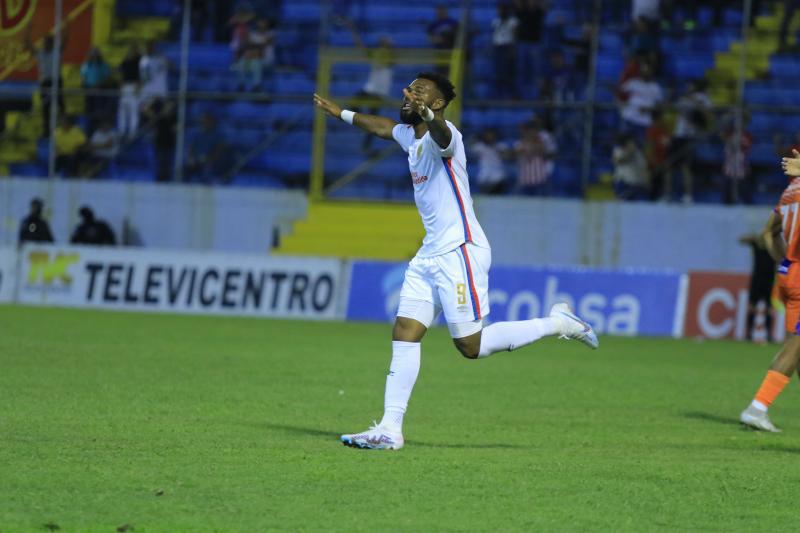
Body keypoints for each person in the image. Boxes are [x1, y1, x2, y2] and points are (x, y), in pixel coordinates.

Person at [314, 73, 598, 450]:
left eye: (419, 92)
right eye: (409, 88)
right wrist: (341, 113)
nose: (409, 94)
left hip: (460, 250)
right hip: (430, 252)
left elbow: (443, 136)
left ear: (436, 104)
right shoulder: (408, 135)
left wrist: (431, 120)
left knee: (471, 346)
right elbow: (382, 127)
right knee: (405, 331)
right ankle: (389, 429)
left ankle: (558, 322)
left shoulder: (447, 138)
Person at [739, 148, 800, 432]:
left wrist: (783, 262)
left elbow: (768, 232)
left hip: (790, 271)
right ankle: (758, 407)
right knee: (797, 345)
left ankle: (760, 407)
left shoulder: (789, 191)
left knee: (796, 347)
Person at [670, 79, 712, 203]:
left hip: (690, 136)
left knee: (686, 167)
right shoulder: (683, 99)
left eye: (691, 85)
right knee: (670, 166)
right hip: (678, 134)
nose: (689, 87)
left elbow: (708, 114)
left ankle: (688, 195)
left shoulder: (702, 98)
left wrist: (694, 103)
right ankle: (668, 194)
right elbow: (675, 107)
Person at [24, 30, 67, 138]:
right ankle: (46, 132)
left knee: (61, 106)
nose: (46, 44)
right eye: (45, 42)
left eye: (48, 42)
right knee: (45, 108)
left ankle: (66, 129)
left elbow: (65, 41)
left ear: (52, 43)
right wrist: (27, 31)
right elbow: (28, 44)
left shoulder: (56, 52)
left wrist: (66, 27)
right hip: (45, 82)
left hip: (56, 81)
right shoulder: (40, 53)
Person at [739, 233, 776, 343]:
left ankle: (769, 335)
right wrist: (754, 237)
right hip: (757, 280)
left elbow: (785, 253)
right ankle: (749, 334)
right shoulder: (757, 243)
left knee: (769, 308)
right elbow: (741, 240)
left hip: (770, 280)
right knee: (752, 307)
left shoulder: (775, 245)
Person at [617, 62, 663, 140]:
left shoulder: (655, 87)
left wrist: (649, 109)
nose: (645, 72)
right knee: (623, 142)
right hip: (629, 118)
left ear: (651, 72)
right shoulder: (633, 83)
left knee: (641, 146)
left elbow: (660, 105)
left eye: (647, 70)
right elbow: (620, 93)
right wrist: (621, 107)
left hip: (644, 122)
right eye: (643, 70)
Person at [514, 118, 557, 196]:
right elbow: (523, 154)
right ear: (527, 132)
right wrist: (533, 149)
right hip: (525, 179)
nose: (532, 133)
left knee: (541, 204)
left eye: (534, 131)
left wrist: (536, 147)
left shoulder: (542, 143)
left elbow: (547, 154)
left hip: (540, 179)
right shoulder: (520, 143)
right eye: (530, 131)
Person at [235, 18, 276, 92]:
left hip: (267, 60)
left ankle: (256, 85)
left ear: (267, 24)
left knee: (256, 61)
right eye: (260, 22)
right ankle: (241, 84)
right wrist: (254, 45)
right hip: (253, 56)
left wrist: (254, 44)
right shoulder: (252, 34)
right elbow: (247, 44)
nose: (261, 24)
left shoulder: (271, 33)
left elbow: (265, 43)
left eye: (263, 22)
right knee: (242, 61)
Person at [185, 113, 228, 182]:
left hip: (211, 161)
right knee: (188, 167)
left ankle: (209, 183)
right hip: (196, 160)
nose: (206, 123)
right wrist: (191, 159)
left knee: (207, 169)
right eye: (204, 121)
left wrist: (209, 159)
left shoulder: (218, 135)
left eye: (209, 121)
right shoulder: (195, 133)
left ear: (214, 123)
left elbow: (218, 150)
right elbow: (190, 148)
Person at [142, 97, 177, 182]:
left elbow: (175, 129)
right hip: (159, 144)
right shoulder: (159, 116)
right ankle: (158, 179)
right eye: (167, 106)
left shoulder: (174, 117)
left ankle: (166, 180)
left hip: (169, 144)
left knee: (167, 164)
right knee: (159, 163)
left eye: (170, 107)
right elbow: (145, 110)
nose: (168, 108)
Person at [491, 3, 519, 99]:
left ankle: (512, 95)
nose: (500, 12)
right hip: (498, 48)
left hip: (508, 47)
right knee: (498, 72)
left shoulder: (513, 21)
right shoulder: (496, 21)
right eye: (499, 10)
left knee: (508, 72)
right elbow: (495, 34)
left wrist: (513, 49)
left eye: (502, 10)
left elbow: (515, 36)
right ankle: (499, 95)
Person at [80, 48, 114, 125]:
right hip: (89, 90)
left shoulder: (103, 65)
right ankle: (90, 124)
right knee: (89, 109)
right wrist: (87, 86)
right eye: (92, 55)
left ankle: (98, 124)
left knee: (99, 109)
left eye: (95, 55)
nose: (94, 56)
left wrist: (97, 85)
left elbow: (106, 78)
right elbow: (83, 78)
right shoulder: (86, 65)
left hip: (100, 90)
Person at [470, 128, 509, 195]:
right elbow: (468, 150)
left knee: (499, 179)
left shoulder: (500, 146)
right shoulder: (479, 146)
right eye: (488, 135)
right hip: (484, 174)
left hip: (497, 174)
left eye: (491, 135)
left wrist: (497, 150)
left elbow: (508, 157)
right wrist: (473, 139)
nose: (490, 137)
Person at [722, 125, 754, 204]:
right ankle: (727, 206)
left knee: (745, 193)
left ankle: (749, 206)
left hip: (740, 169)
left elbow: (745, 149)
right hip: (729, 169)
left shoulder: (745, 137)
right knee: (727, 193)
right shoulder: (729, 136)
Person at [612, 132, 649, 200]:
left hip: (639, 185)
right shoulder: (619, 150)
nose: (633, 143)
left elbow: (644, 167)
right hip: (624, 185)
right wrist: (629, 151)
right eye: (630, 141)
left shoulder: (638, 152)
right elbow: (618, 161)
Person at [645, 108, 671, 200]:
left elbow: (667, 143)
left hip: (663, 159)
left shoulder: (664, 130)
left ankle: (664, 196)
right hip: (655, 161)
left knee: (663, 180)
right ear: (658, 118)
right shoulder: (652, 130)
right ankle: (652, 198)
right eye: (662, 117)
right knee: (654, 182)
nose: (664, 119)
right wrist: (652, 160)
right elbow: (649, 145)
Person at [118, 45, 142, 140]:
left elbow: (143, 73)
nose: (130, 52)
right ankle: (121, 131)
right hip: (125, 87)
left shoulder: (139, 61)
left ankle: (133, 131)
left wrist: (139, 85)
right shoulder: (125, 62)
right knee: (122, 110)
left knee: (133, 109)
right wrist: (120, 85)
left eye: (133, 50)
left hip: (134, 86)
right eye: (129, 51)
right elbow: (120, 74)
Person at [139, 41, 169, 108]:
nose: (149, 50)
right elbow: (144, 77)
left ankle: (157, 118)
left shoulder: (160, 59)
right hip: (148, 89)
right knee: (142, 107)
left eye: (151, 48)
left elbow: (171, 66)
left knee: (167, 106)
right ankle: (154, 118)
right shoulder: (143, 60)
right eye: (147, 48)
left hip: (160, 89)